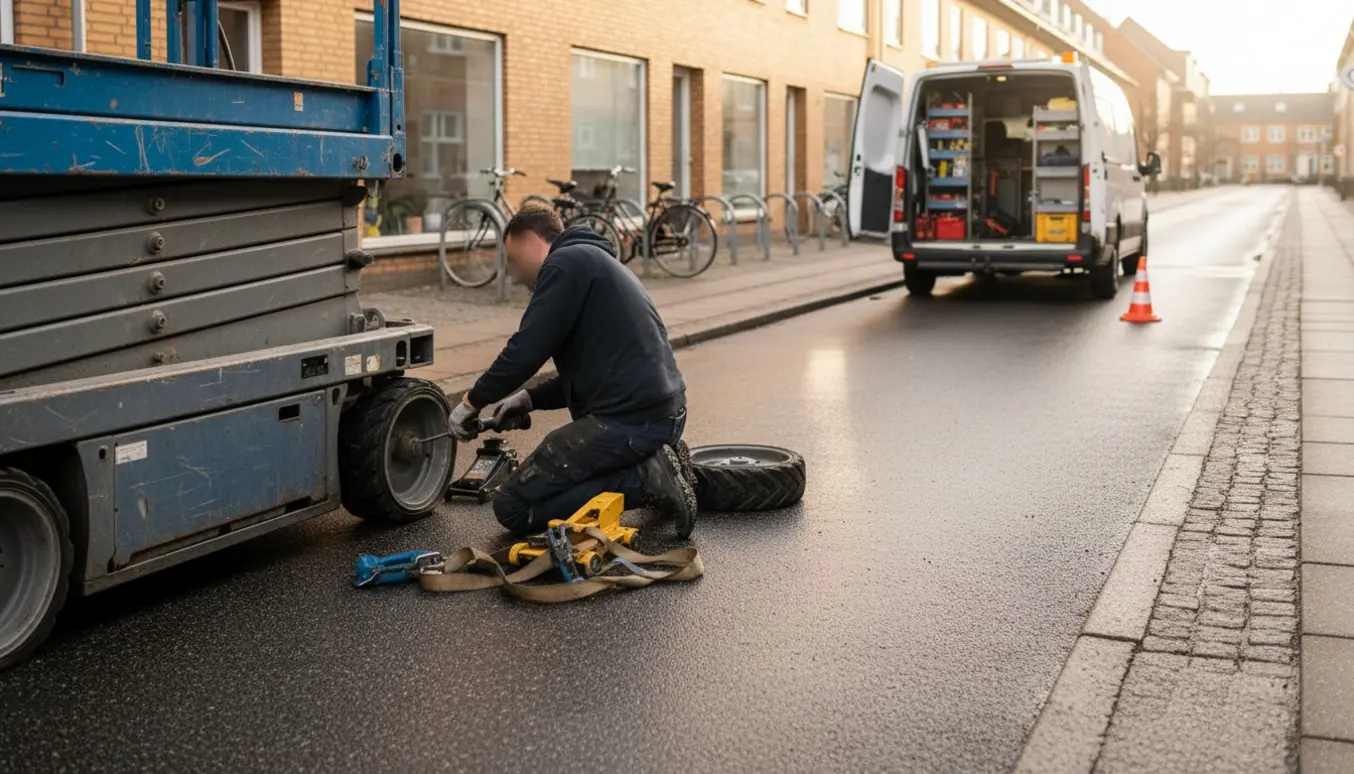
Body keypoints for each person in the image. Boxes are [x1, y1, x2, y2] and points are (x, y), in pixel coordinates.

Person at [447, 203, 698, 539]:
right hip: (663, 415)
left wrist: (469, 403)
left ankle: (644, 478)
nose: (513, 273)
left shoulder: (564, 264)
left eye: (511, 259)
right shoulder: (593, 262)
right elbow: (594, 372)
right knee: (564, 476)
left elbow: (524, 351)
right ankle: (654, 465)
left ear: (528, 240)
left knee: (512, 504)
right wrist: (529, 399)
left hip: (631, 421)